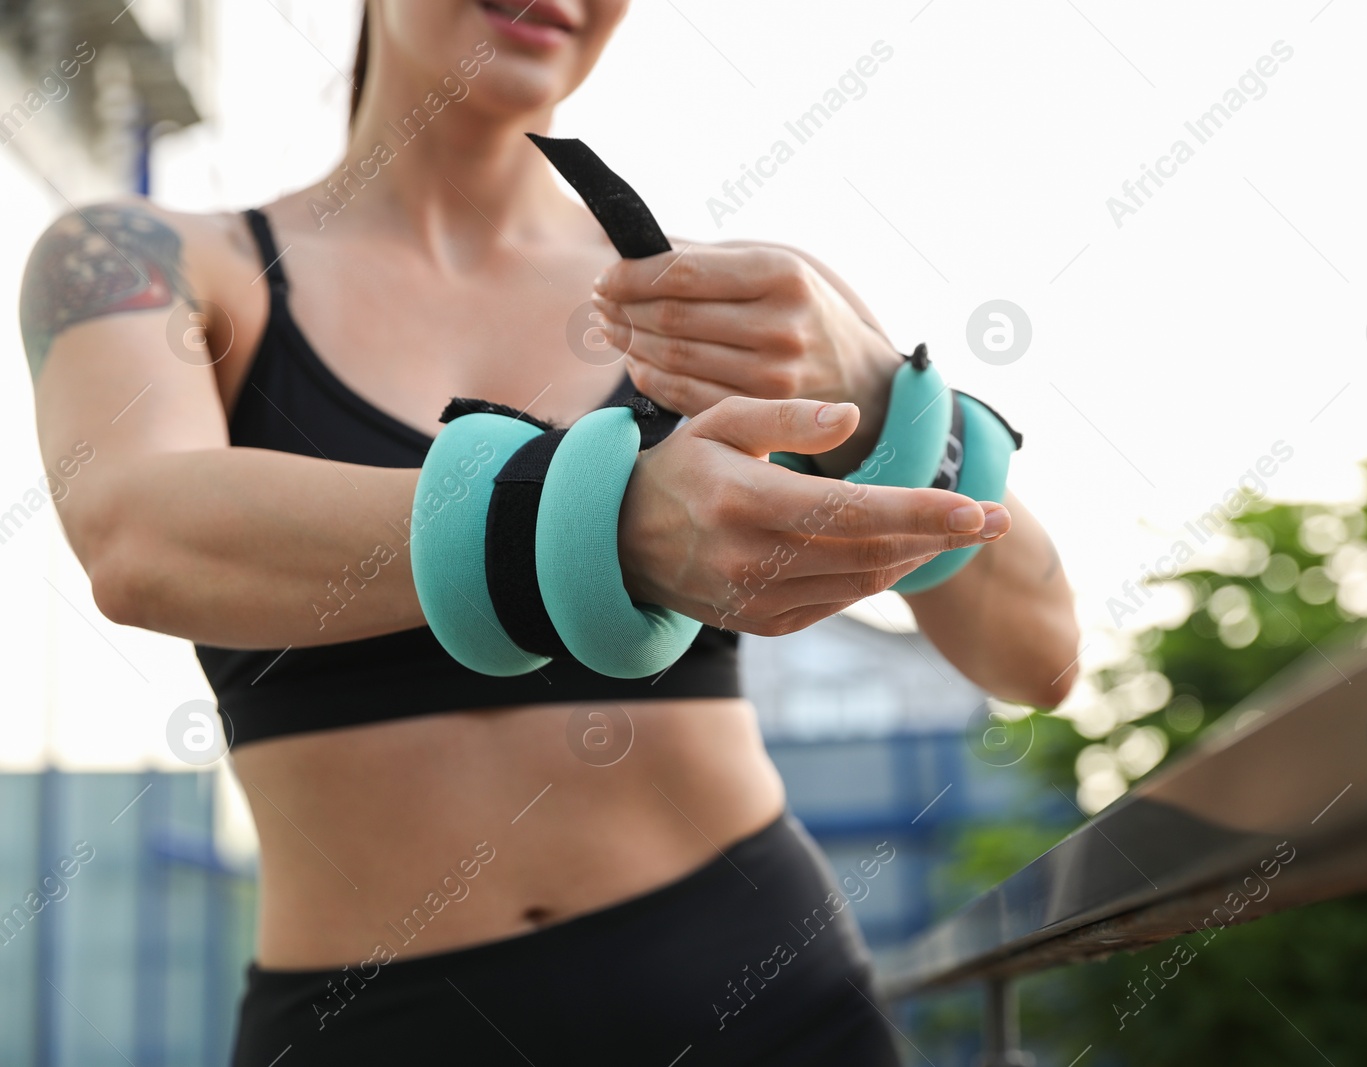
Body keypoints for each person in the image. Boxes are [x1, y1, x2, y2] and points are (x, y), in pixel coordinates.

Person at [21, 2, 1079, 1063]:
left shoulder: (733, 297)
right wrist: (608, 525)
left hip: (763, 1003)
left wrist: (878, 397)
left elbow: (1037, 653)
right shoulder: (149, 257)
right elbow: (138, 532)